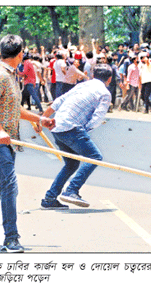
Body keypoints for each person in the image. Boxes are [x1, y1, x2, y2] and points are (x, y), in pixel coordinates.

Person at [0, 34, 55, 252]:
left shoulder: (10, 75)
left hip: (7, 140)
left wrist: (39, 119)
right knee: (9, 184)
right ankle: (11, 238)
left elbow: (13, 109)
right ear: (20, 53)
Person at [39, 64, 112, 209]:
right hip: (71, 128)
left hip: (57, 127)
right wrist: (84, 130)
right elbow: (97, 118)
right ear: (109, 79)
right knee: (95, 157)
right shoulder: (105, 93)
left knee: (71, 164)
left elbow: (59, 101)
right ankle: (71, 190)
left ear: (93, 75)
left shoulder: (82, 85)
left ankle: (49, 198)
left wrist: (42, 119)